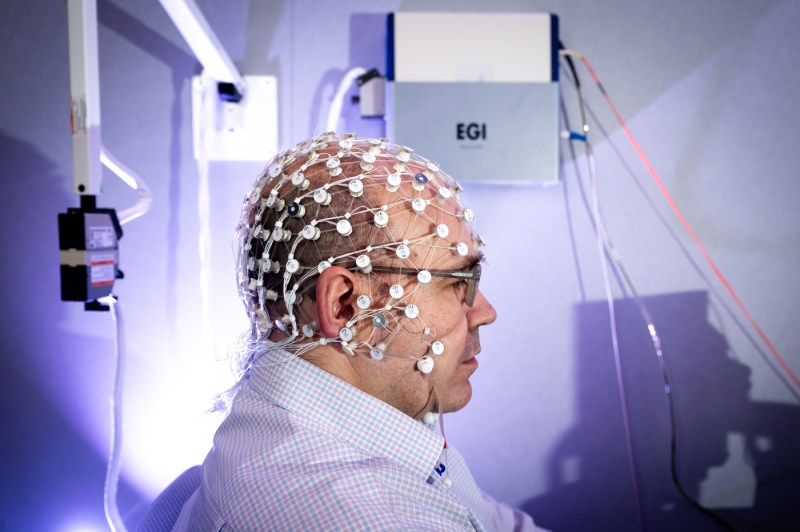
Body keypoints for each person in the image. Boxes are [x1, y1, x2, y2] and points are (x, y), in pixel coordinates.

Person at [174, 133, 544, 530]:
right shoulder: (367, 517)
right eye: (458, 282)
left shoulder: (330, 428)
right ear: (345, 305)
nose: (485, 312)